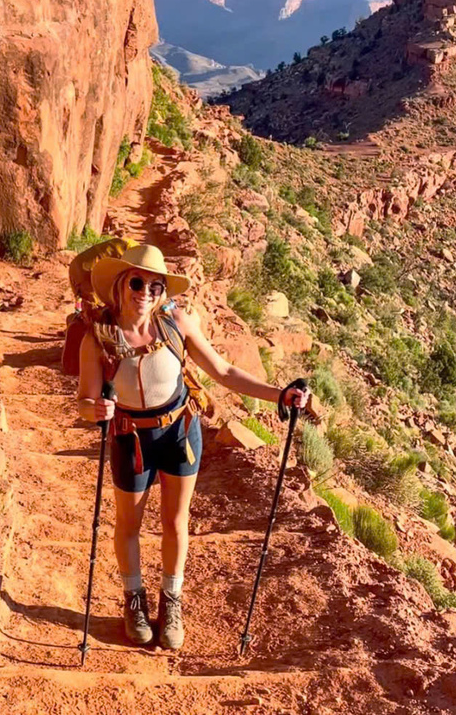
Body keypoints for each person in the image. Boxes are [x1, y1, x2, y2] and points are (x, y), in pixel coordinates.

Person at [76, 244, 309, 651]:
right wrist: (95, 408)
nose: (145, 292)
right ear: (119, 284)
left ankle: (171, 600)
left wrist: (279, 395)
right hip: (130, 438)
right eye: (137, 282)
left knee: (175, 522)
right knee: (128, 525)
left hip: (180, 433)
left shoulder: (176, 324)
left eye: (154, 285)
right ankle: (134, 600)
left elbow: (224, 370)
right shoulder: (99, 337)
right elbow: (83, 402)